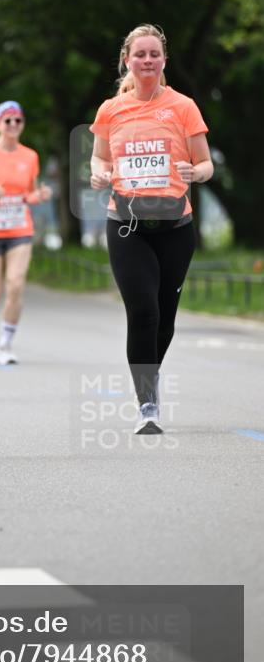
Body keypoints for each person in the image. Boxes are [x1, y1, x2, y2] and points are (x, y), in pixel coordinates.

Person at [89, 24, 213, 434]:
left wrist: (193, 171)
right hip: (127, 225)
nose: (146, 61)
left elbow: (206, 164)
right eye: (139, 54)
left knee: (165, 320)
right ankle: (147, 405)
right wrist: (99, 174)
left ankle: (150, 376)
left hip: (176, 225)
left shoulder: (183, 106)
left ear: (163, 61)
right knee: (142, 311)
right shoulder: (111, 109)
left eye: (154, 54)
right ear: (127, 59)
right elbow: (98, 159)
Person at [0, 100, 52, 364]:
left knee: (15, 285)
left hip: (19, 229)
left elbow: (29, 192)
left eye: (18, 120)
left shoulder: (30, 156)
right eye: (7, 120)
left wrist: (38, 196)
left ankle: (5, 345)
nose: (13, 124)